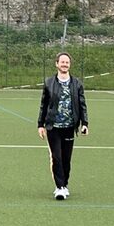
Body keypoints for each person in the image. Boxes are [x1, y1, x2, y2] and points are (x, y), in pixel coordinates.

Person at [37, 52, 89, 200]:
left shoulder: (77, 84)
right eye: (62, 62)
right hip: (53, 127)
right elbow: (44, 105)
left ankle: (64, 185)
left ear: (69, 65)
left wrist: (85, 123)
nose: (65, 64)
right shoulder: (49, 83)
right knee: (57, 157)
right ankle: (59, 187)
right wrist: (40, 124)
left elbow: (82, 105)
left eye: (67, 62)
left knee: (66, 159)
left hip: (69, 127)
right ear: (57, 64)